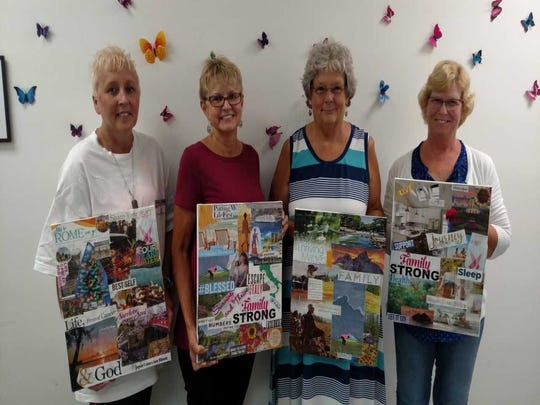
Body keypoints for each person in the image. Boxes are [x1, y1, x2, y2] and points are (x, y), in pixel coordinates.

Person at [33, 45, 174, 404]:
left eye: (131, 88)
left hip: (145, 349)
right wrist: (86, 350)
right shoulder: (79, 163)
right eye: (112, 90)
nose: (123, 99)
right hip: (103, 364)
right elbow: (61, 265)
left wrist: (168, 296)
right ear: (96, 101)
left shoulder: (153, 153)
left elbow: (166, 234)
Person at [383, 60, 511, 405]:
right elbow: (387, 235)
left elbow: (506, 238)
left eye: (452, 102)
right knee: (409, 398)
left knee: (454, 400)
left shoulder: (482, 164)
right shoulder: (401, 167)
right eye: (436, 100)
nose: (443, 110)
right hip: (412, 310)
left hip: (465, 313)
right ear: (425, 104)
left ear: (463, 108)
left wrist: (470, 221)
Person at [270, 38, 386, 405]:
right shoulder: (293, 148)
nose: (329, 98)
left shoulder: (365, 145)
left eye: (337, 88)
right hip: (303, 299)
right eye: (320, 89)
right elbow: (274, 216)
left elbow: (376, 210)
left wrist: (367, 235)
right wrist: (285, 228)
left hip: (353, 299)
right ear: (308, 96)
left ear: (348, 93)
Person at [171, 54, 287, 405]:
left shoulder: (252, 157)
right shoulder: (193, 159)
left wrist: (273, 231)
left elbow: (251, 235)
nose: (226, 106)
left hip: (244, 320)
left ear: (242, 101)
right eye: (217, 98)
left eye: (233, 96)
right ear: (203, 106)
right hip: (205, 325)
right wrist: (191, 328)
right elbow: (179, 249)